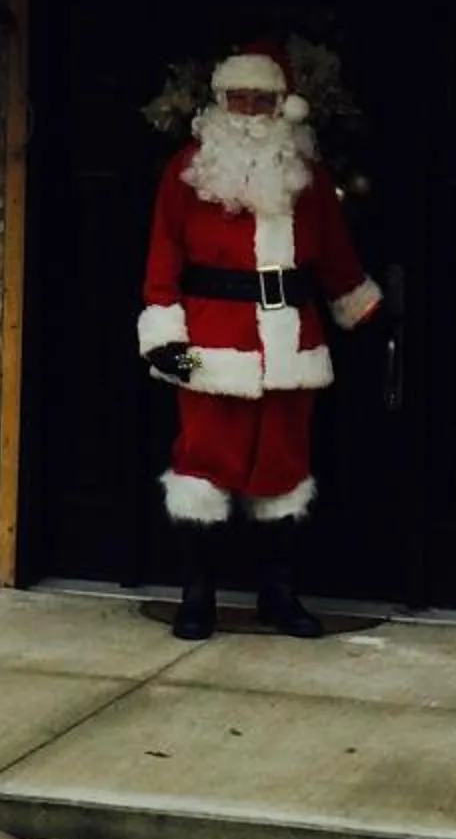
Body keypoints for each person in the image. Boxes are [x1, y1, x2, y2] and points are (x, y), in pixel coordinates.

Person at [135, 44, 385, 640]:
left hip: (291, 340)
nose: (250, 111)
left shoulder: (308, 176)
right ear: (219, 104)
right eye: (239, 99)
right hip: (211, 340)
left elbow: (336, 255)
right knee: (202, 468)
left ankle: (278, 593)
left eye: (262, 100)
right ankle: (198, 595)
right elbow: (162, 256)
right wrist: (162, 332)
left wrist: (364, 310)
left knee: (284, 471)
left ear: (283, 106)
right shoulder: (186, 173)